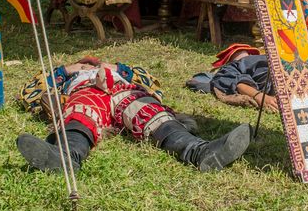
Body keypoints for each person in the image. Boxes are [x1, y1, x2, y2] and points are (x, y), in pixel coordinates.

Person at [16, 60, 252, 173]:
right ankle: (65, 157)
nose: (89, 62)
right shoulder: (69, 76)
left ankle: (200, 152)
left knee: (149, 111)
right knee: (81, 113)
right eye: (83, 61)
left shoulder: (123, 73)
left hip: (123, 91)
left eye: (92, 61)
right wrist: (69, 70)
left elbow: (151, 86)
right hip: (86, 92)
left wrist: (115, 69)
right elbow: (31, 92)